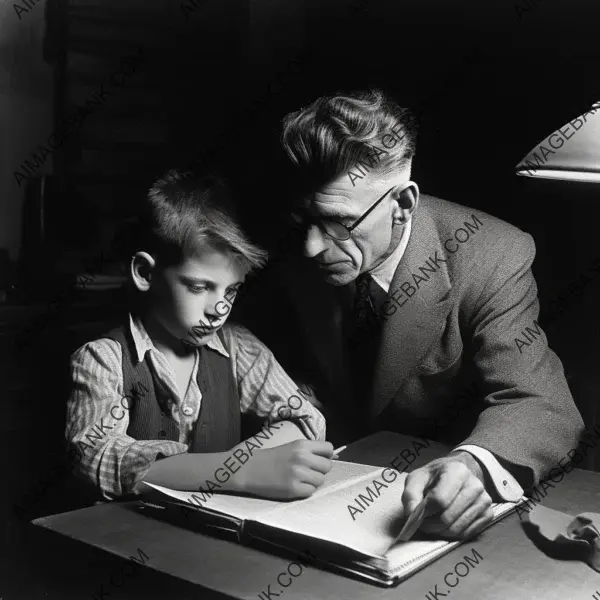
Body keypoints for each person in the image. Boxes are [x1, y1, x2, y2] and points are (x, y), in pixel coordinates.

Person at [272, 89, 584, 539]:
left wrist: (473, 466)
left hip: (432, 514)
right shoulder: (289, 245)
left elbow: (542, 403)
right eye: (304, 220)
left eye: (339, 224)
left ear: (404, 204)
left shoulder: (492, 255)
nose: (312, 247)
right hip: (309, 501)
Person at [65, 169, 332, 501]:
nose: (218, 309)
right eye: (200, 287)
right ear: (145, 272)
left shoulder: (239, 347)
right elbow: (94, 460)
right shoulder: (103, 359)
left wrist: (247, 462)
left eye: (231, 291)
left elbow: (304, 417)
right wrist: (238, 470)